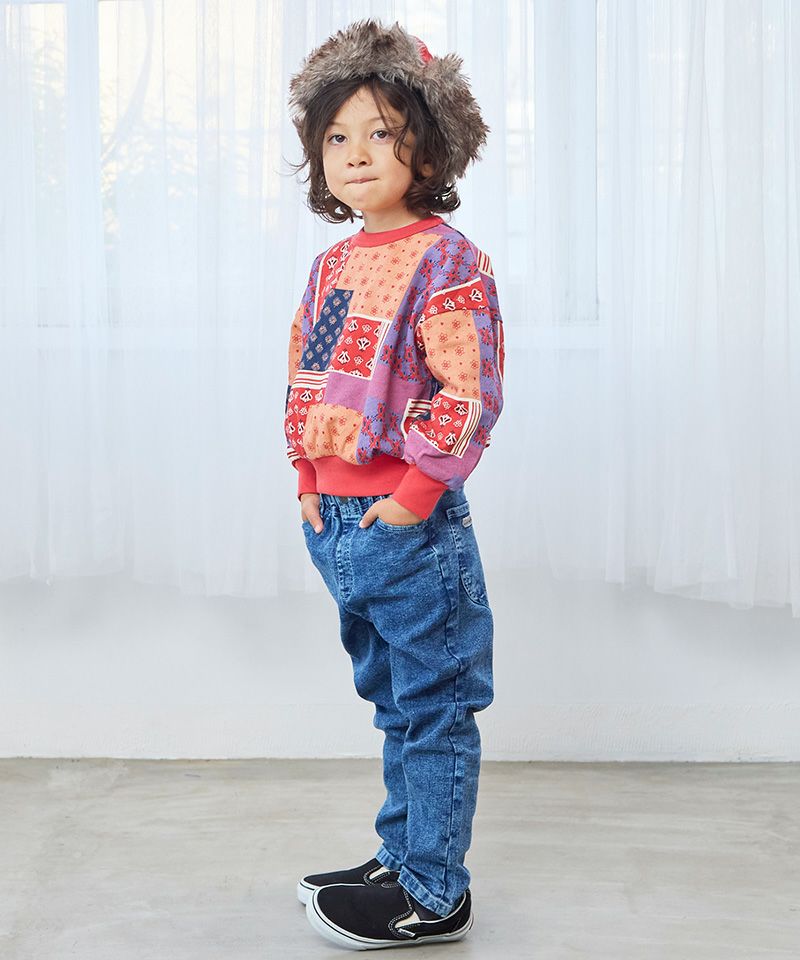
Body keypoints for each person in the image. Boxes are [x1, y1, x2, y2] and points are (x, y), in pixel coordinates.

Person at [283, 18, 505, 950]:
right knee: (393, 701)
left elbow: (468, 390)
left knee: (433, 703)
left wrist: (413, 496)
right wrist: (307, 473)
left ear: (431, 147)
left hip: (406, 522)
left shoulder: (447, 259)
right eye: (337, 136)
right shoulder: (334, 264)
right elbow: (311, 372)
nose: (356, 153)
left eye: (381, 132)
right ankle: (403, 852)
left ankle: (435, 890)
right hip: (337, 519)